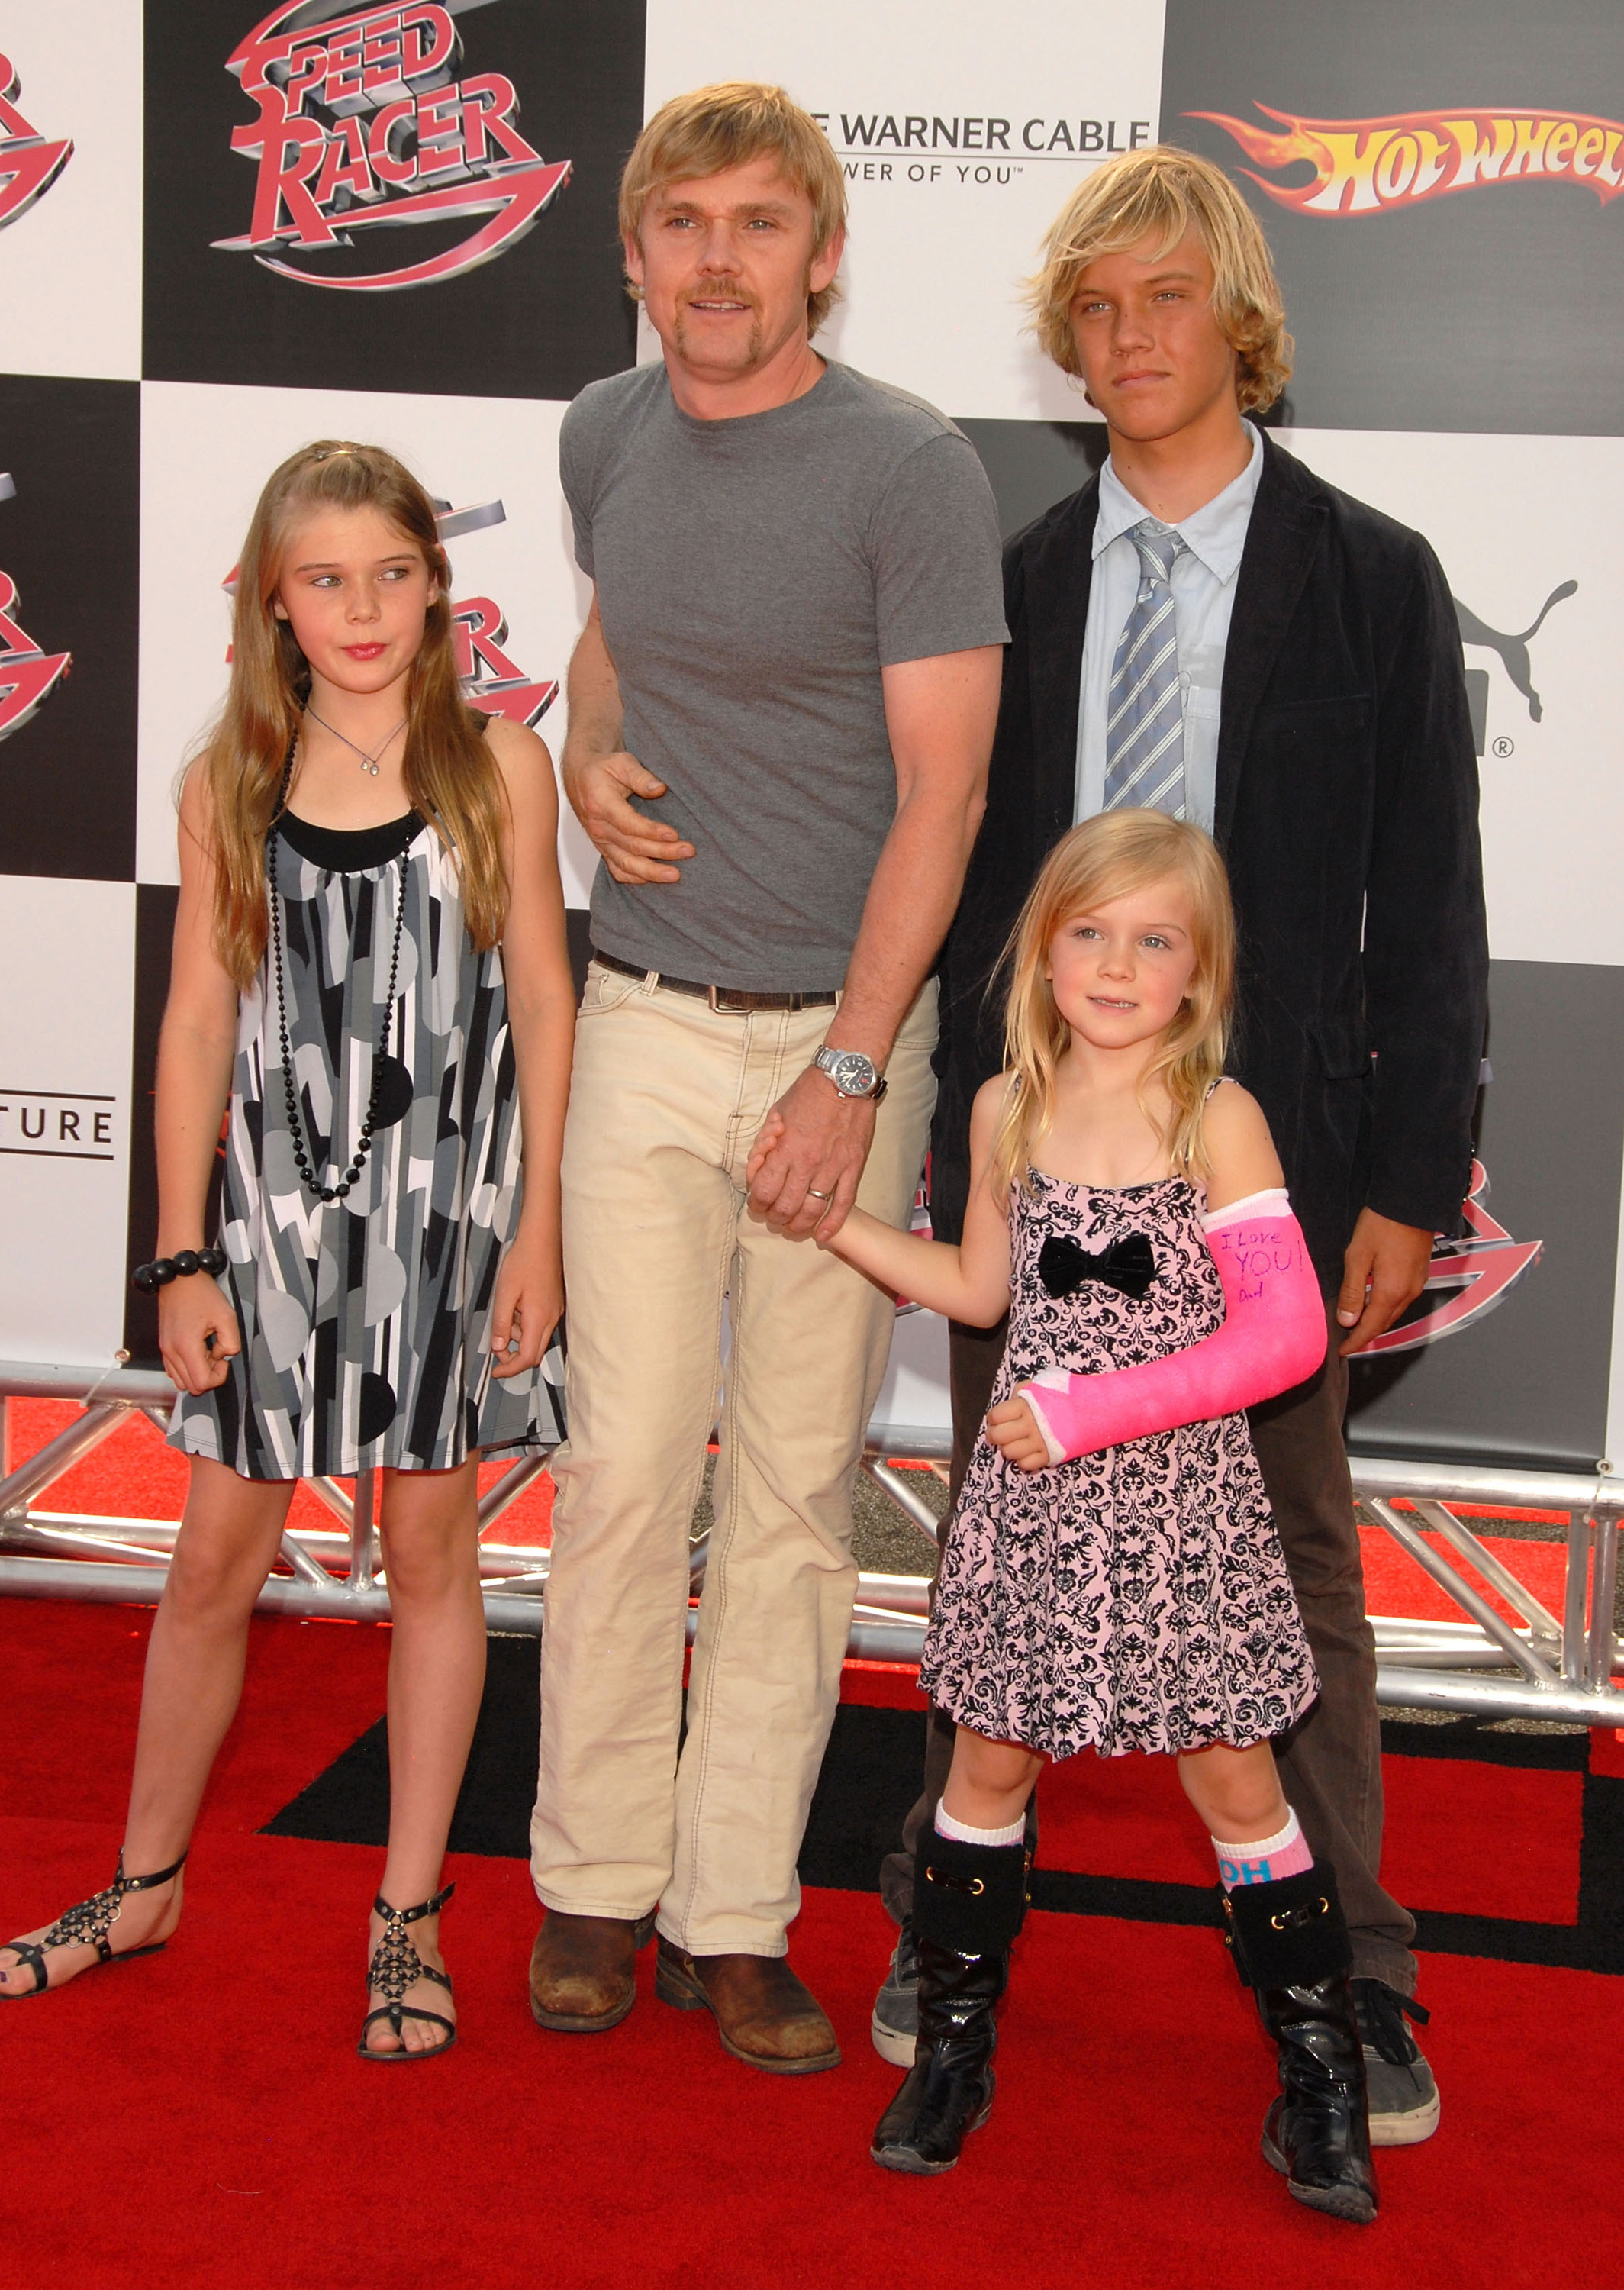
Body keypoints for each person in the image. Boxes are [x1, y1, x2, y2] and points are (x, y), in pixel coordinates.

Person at [874, 145, 1487, 2149]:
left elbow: (1430, 903)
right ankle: (945, 1935)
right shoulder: (1013, 581)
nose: (1129, 338)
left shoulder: (1370, 577)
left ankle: (1359, 1982)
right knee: (998, 1554)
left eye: (1165, 298)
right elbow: (957, 873)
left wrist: (1404, 1176)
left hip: (1267, 1175)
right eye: (1097, 306)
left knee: (1290, 1574)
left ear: (1239, 319)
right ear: (1068, 339)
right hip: (1035, 1172)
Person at [0, 442, 575, 2061]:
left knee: (435, 1559)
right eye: (325, 579)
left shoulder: (501, 766)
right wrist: (180, 1255)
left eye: (390, 572)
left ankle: (408, 1917)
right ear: (271, 603)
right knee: (211, 1569)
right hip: (268, 1235)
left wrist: (542, 1230)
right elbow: (193, 1028)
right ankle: (144, 1885)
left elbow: (543, 1005)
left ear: (436, 589)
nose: (361, 608)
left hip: (449, 1232)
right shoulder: (226, 782)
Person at [527, 82, 1006, 2072]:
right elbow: (617, 635)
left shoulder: (908, 468)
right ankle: (588, 1890)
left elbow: (946, 789)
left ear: (821, 250)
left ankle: (735, 1915)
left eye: (755, 224)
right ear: (635, 254)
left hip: (835, 1049)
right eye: (682, 225)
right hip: (637, 1013)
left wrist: (848, 1065)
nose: (715, 260)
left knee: (801, 1499)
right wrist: (578, 748)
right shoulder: (601, 430)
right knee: (627, 1472)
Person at [772, 809, 1377, 2218]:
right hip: (1032, 1520)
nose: (1116, 964)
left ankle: (1322, 2078)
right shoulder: (1003, 1110)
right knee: (986, 1775)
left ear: (1200, 974)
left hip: (1182, 1513)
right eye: (1088, 932)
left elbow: (1285, 1336)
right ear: (1042, 951)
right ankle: (957, 2055)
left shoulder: (1214, 1113)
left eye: (1154, 940)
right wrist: (833, 1225)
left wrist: (1090, 1413)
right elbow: (987, 1294)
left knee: (1238, 1785)